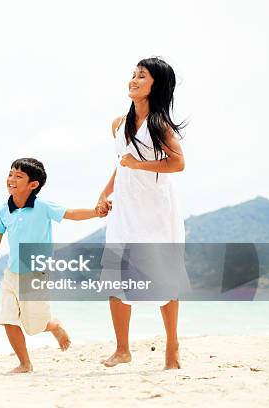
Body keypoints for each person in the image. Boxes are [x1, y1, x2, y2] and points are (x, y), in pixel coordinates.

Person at [96, 57, 186, 370]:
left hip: (155, 210)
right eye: (133, 75)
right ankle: (122, 349)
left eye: (142, 76)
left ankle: (172, 345)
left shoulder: (159, 125)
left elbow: (177, 163)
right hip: (125, 208)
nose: (133, 80)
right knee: (115, 274)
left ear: (155, 85)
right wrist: (105, 192)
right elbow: (121, 162)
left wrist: (140, 165)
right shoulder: (118, 123)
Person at [0, 158, 104, 373]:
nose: (11, 179)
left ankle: (53, 325)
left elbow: (72, 214)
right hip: (11, 273)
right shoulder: (3, 211)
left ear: (33, 185)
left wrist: (96, 212)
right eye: (10, 174)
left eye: (18, 176)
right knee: (8, 320)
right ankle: (25, 363)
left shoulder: (43, 207)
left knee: (34, 326)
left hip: (37, 273)